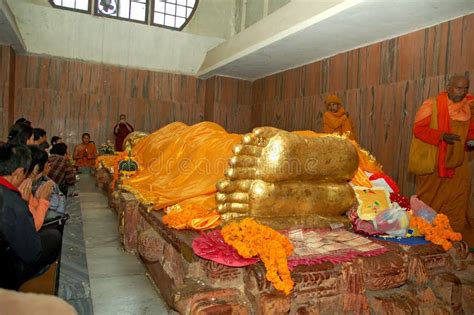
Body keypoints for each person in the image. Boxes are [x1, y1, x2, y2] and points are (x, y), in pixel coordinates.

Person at [412, 75, 474, 236]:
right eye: (458, 88)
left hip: (459, 161)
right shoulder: (432, 104)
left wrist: (470, 142)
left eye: (466, 88)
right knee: (430, 196)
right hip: (436, 159)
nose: (463, 91)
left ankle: (453, 232)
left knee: (459, 197)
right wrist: (441, 136)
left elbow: (470, 132)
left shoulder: (469, 105)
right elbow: (419, 130)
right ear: (448, 87)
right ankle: (426, 230)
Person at [0, 144, 61, 289]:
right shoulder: (14, 202)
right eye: (24, 174)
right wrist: (37, 202)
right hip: (5, 272)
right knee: (54, 236)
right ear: (18, 172)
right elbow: (32, 253)